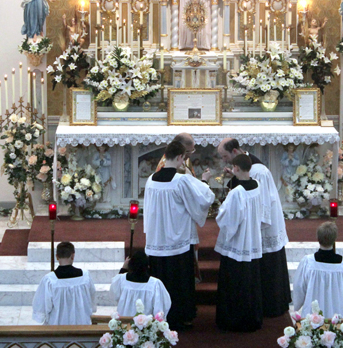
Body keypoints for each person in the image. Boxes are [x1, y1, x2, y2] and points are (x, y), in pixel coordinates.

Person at [144, 141, 214, 329]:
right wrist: (205, 180)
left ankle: (160, 317)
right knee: (179, 281)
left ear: (165, 156)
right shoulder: (182, 180)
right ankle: (182, 317)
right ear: (182, 157)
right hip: (179, 241)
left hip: (158, 240)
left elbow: (148, 211)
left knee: (161, 279)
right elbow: (204, 197)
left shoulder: (151, 179)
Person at [218, 138, 291, 317]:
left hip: (264, 227)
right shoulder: (249, 167)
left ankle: (269, 305)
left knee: (266, 263)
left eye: (225, 156)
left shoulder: (258, 171)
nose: (224, 160)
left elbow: (261, 204)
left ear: (235, 152)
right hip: (256, 225)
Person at [215, 154, 267, 332]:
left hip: (238, 243)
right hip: (252, 238)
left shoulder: (237, 192)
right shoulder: (256, 185)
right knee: (250, 281)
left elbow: (228, 219)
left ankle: (232, 320)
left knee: (234, 282)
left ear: (236, 168)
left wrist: (220, 210)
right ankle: (251, 318)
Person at [292, 222, 343, 319]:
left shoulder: (308, 262)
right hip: (336, 314)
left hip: (312, 317)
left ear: (317, 238)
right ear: (335, 239)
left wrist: (297, 304)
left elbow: (299, 287)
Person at [32, 242, 96, 325]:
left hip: (57, 330)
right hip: (82, 327)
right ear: (73, 256)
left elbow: (41, 307)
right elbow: (91, 299)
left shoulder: (50, 280)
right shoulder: (85, 277)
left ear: (57, 257)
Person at [110, 250, 171, 317]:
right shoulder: (155, 283)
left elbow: (114, 295)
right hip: (146, 325)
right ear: (147, 266)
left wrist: (124, 268)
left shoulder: (121, 279)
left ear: (130, 264)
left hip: (124, 324)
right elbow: (162, 307)